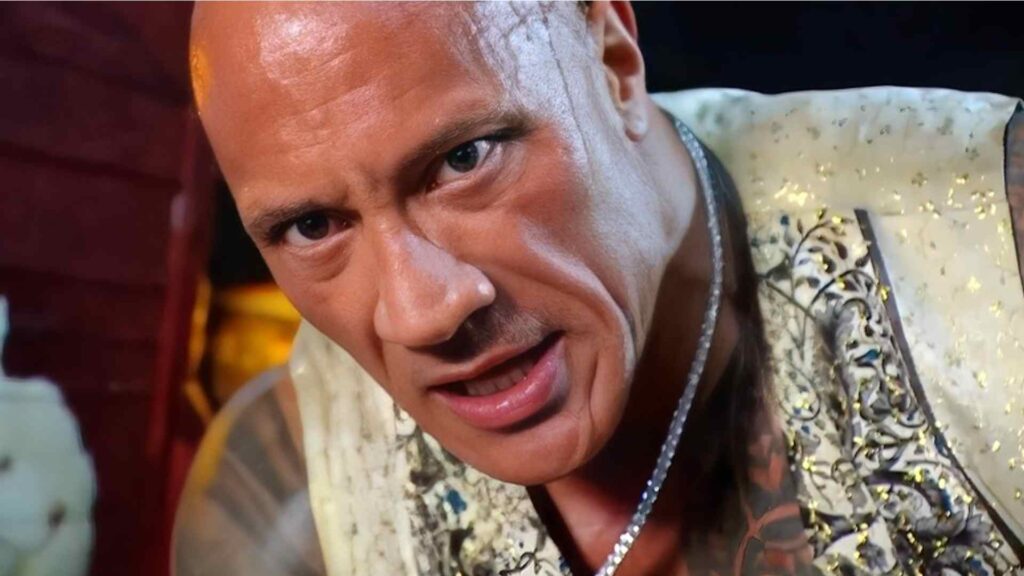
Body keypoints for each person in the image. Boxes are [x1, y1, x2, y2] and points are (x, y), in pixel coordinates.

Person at [177, 2, 1024, 574]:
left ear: (614, 62)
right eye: (312, 227)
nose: (420, 312)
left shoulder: (992, 244)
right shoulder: (292, 500)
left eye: (465, 159)